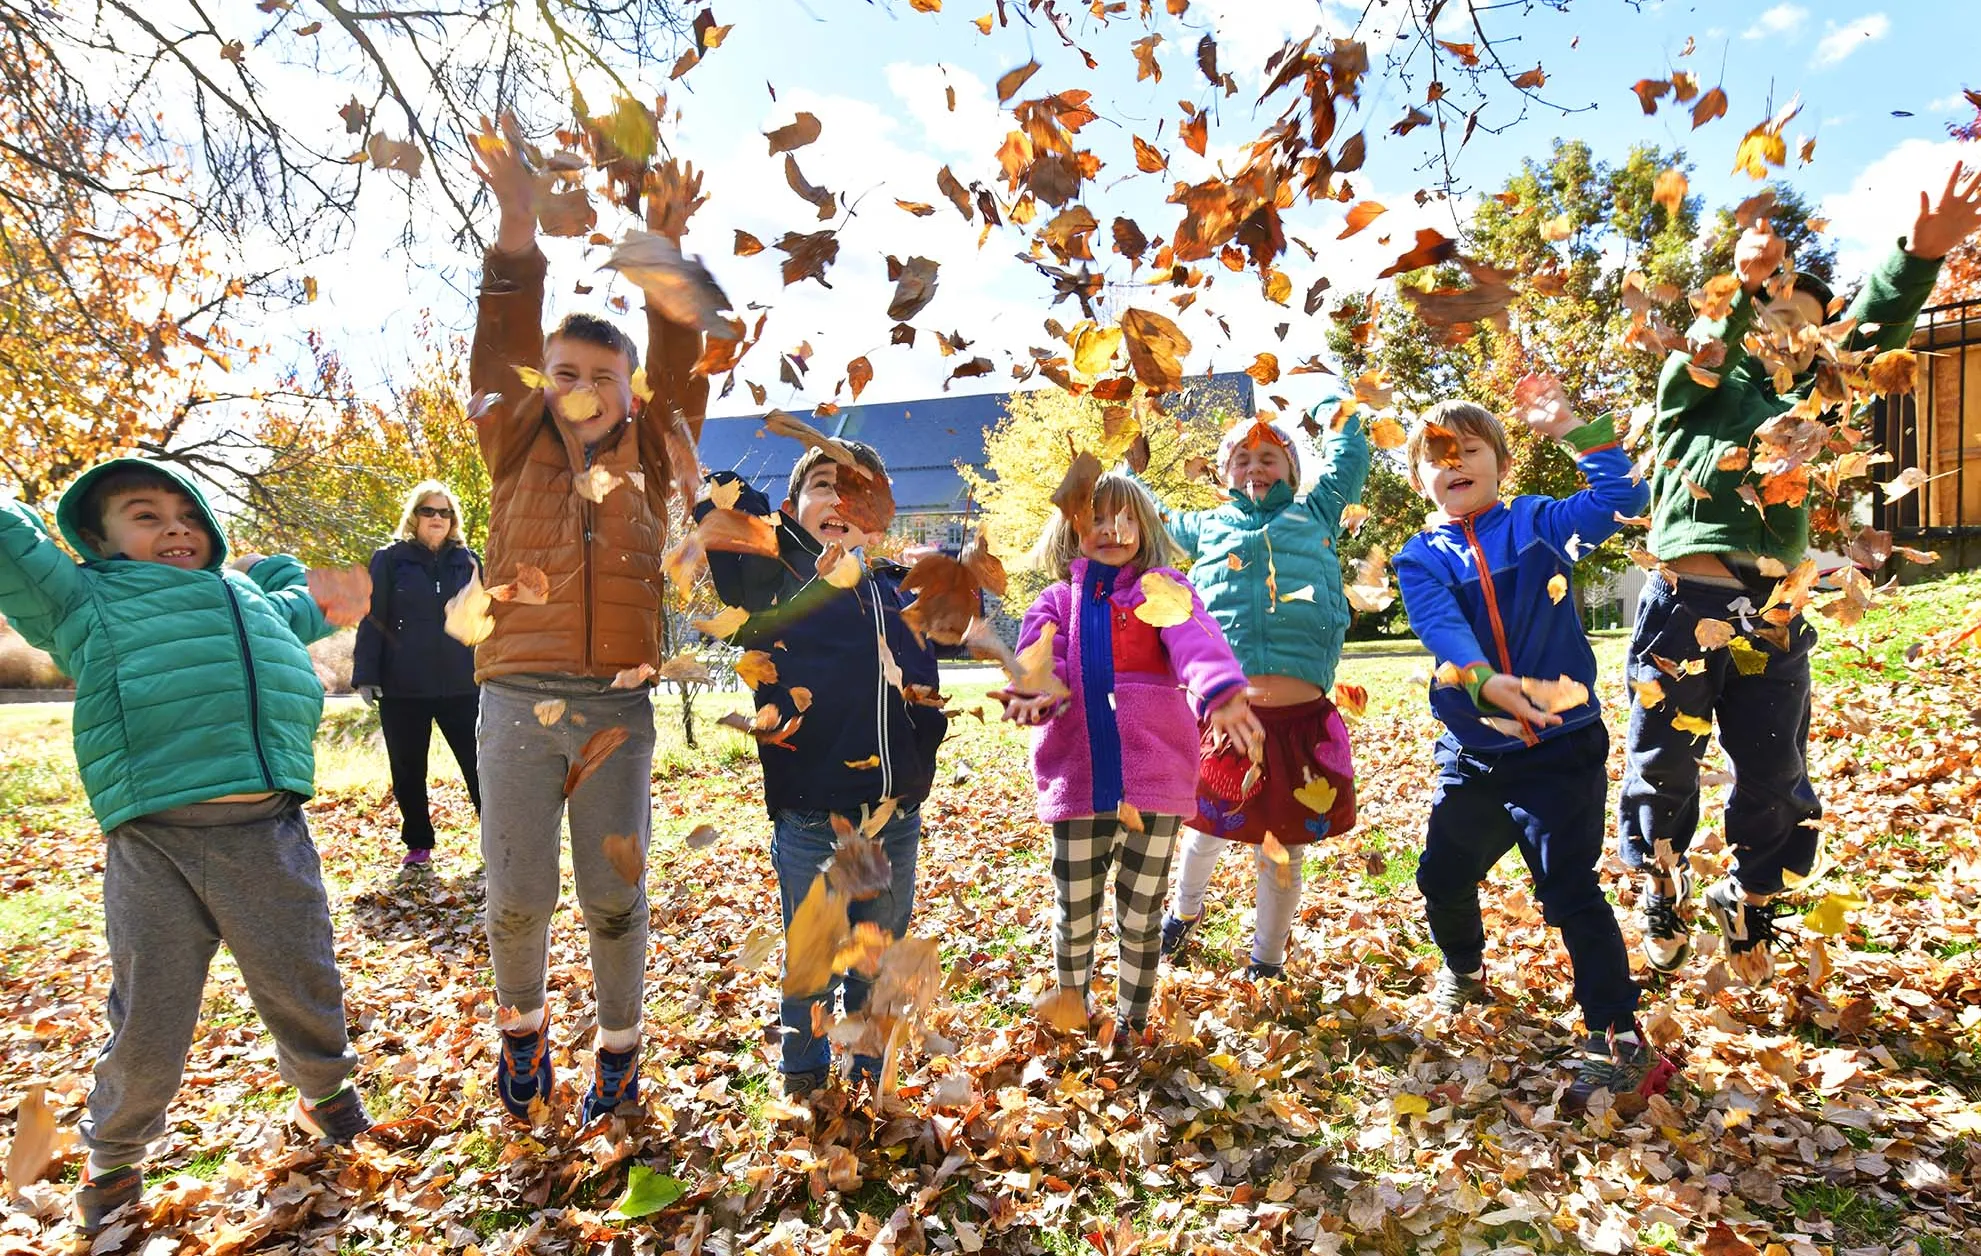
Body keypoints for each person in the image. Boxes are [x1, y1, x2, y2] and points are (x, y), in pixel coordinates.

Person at [1621, 164, 1981, 985]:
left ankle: (1752, 895)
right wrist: (1740, 285)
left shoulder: (1814, 402)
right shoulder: (1703, 386)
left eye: (1806, 325)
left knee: (1775, 762)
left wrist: (1915, 258)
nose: (1792, 333)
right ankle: (1662, 879)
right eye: (1775, 318)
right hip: (1689, 599)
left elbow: (1867, 338)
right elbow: (1700, 353)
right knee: (1664, 760)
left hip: (1773, 609)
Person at [0, 459, 371, 1235]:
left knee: (300, 974)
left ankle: (324, 1094)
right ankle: (114, 1157)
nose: (174, 526)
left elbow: (323, 601)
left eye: (189, 516)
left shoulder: (252, 599)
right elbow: (13, 546)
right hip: (155, 843)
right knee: (150, 1015)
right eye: (145, 515)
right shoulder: (83, 600)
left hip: (268, 831)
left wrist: (360, 581)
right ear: (99, 542)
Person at [467, 116, 705, 1126]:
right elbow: (504, 333)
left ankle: (619, 1050)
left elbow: (683, 352)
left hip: (618, 704)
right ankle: (520, 1031)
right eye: (564, 373)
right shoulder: (511, 436)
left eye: (602, 376)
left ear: (626, 391)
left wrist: (659, 249)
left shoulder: (653, 447)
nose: (580, 388)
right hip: (518, 699)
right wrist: (517, 225)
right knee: (519, 895)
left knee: (613, 897)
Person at [1392, 384, 1674, 1112]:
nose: (1453, 463)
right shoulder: (1421, 555)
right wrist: (1487, 683)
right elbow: (1439, 627)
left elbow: (1620, 495)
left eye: (1469, 449)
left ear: (1501, 463)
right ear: (1420, 477)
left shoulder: (1538, 524)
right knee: (1441, 876)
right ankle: (1464, 970)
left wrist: (1578, 429)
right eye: (1435, 456)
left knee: (1567, 888)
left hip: (1558, 750)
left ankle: (1617, 1039)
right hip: (1476, 753)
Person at [695, 444, 948, 1098]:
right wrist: (706, 479)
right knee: (812, 957)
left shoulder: (897, 589)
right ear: (791, 509)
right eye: (824, 488)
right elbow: (728, 527)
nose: (840, 503)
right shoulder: (778, 580)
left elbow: (925, 684)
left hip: (892, 817)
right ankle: (803, 1073)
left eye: (858, 492)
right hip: (811, 815)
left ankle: (866, 1071)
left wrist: (922, 750)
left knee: (872, 951)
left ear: (880, 514)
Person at [1002, 472, 1259, 1047]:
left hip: (1155, 778)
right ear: (1072, 528)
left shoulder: (1161, 591)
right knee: (1075, 915)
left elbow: (1198, 643)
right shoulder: (1055, 602)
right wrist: (1037, 692)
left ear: (1145, 529)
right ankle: (1073, 1016)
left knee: (1141, 918)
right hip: (1080, 778)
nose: (1113, 529)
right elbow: (1039, 664)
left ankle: (1132, 1023)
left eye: (1126, 518)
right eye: (1097, 518)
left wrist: (1219, 688)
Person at [1151, 409, 1368, 979]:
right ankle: (1183, 913)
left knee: (1281, 848)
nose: (1255, 468)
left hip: (1301, 720)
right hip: (1228, 720)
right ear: (1225, 474)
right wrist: (1128, 468)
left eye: (1269, 457)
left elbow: (1350, 462)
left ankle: (1267, 959)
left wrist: (1337, 413)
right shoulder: (1205, 527)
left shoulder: (1316, 513)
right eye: (1241, 459)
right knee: (1205, 831)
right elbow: (1148, 516)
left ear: (1292, 471)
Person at [352, 480, 483, 867]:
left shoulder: (469, 561)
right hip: (403, 686)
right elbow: (372, 616)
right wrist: (366, 674)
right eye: (429, 511)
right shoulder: (390, 559)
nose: (437, 518)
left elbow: (485, 618)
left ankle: (494, 836)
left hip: (462, 683)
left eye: (445, 512)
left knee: (481, 765)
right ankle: (419, 843)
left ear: (453, 519)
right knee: (408, 769)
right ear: (415, 516)